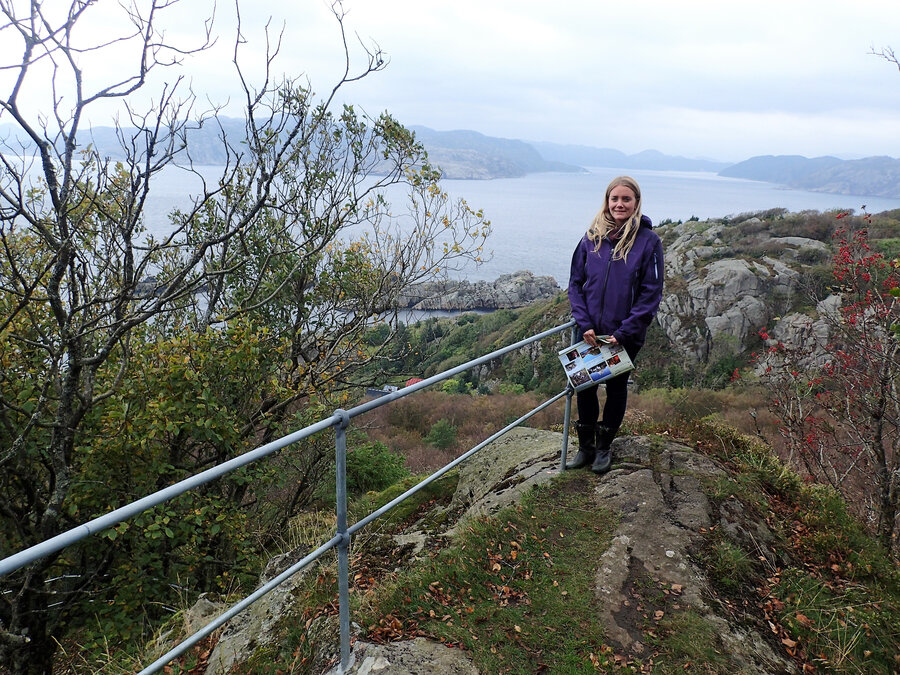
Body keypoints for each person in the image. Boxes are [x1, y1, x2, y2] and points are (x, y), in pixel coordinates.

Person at [566, 176, 664, 473]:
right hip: (591, 333)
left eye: (626, 199)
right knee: (585, 387)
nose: (619, 204)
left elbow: (651, 293)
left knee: (616, 386)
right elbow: (575, 284)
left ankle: (604, 449)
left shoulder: (648, 242)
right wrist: (584, 324)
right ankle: (585, 448)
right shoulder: (591, 238)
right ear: (607, 202)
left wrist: (624, 332)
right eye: (614, 199)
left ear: (636, 203)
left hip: (624, 335)